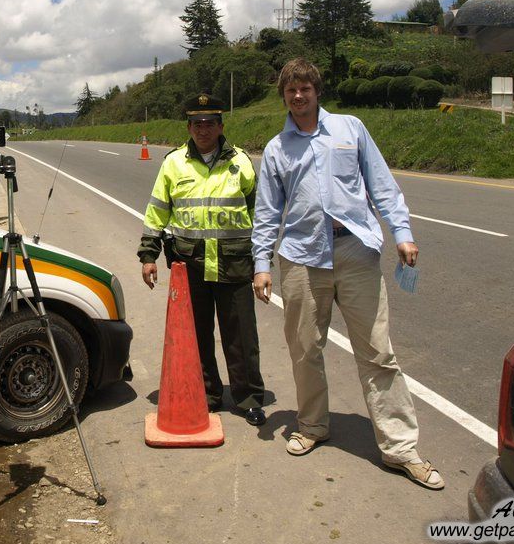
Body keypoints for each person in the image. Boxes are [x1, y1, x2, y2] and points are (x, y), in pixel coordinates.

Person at [251, 58, 444, 490]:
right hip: (301, 257)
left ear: (317, 90)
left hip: (355, 250)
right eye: (290, 91)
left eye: (305, 89)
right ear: (283, 96)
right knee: (304, 349)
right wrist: (261, 265)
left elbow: (381, 184)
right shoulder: (278, 149)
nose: (298, 96)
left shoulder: (350, 129)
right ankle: (313, 425)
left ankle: (400, 448)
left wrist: (402, 234)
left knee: (378, 352)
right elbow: (267, 214)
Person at [138, 93, 267, 426]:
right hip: (190, 265)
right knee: (196, 335)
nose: (203, 129)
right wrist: (149, 255)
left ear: (221, 125)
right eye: (197, 123)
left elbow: (260, 215)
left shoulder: (241, 162)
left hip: (234, 264)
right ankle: (207, 394)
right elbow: (157, 212)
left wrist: (262, 261)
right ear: (189, 127)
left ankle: (249, 396)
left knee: (242, 337)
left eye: (210, 123)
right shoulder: (173, 163)